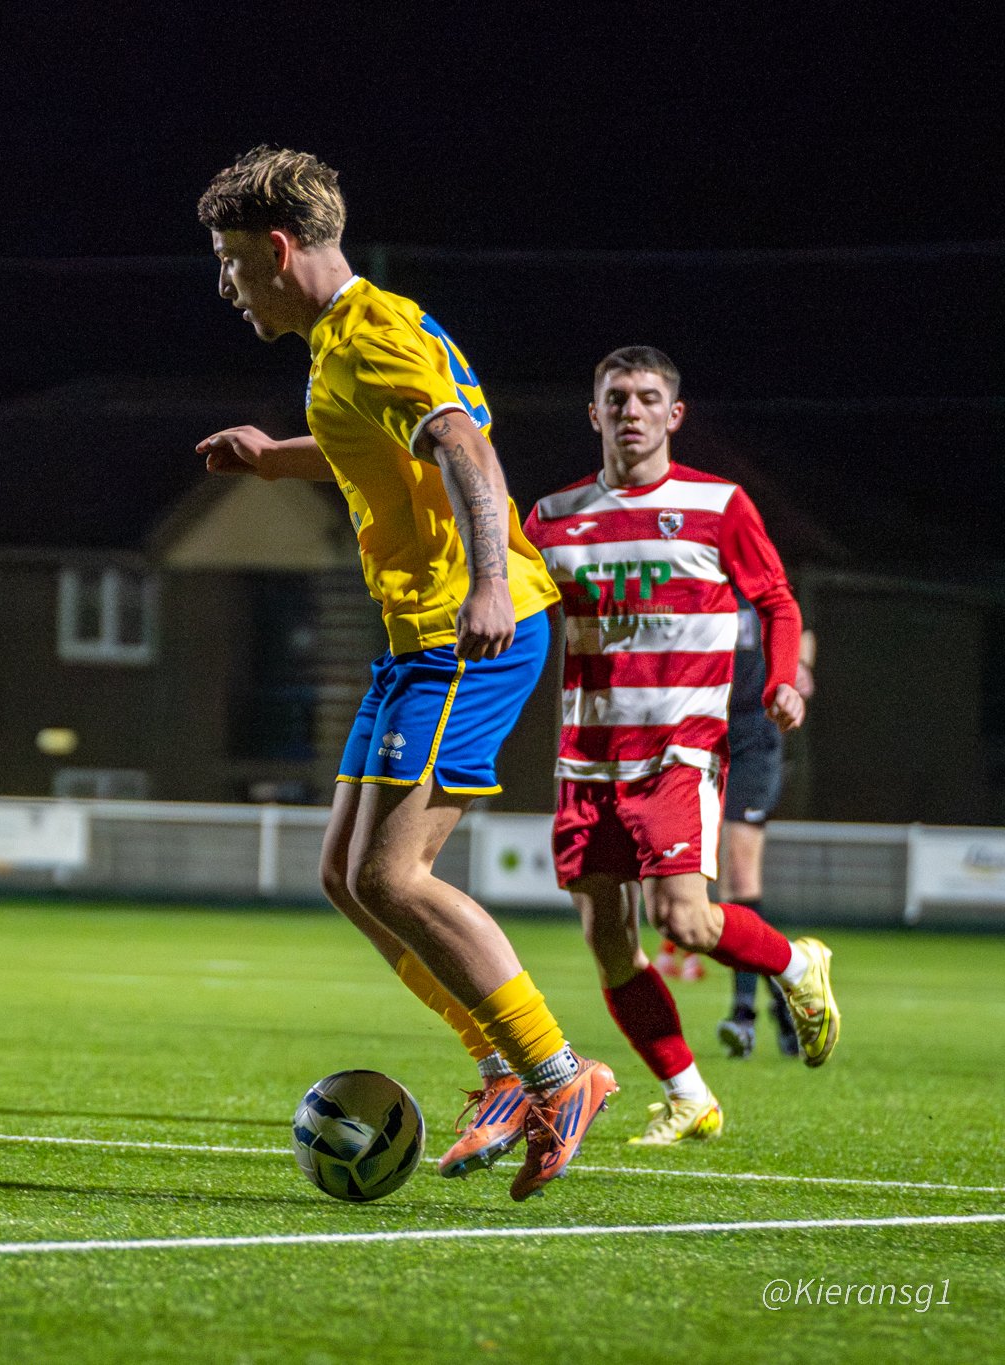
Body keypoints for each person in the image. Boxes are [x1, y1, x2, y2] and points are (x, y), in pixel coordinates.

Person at [195, 145, 614, 1201]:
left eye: (232, 262)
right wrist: (275, 457)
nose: (227, 285)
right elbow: (374, 448)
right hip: (418, 637)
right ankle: (501, 1067)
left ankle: (555, 1074)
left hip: (465, 631)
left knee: (392, 876)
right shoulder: (346, 339)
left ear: (278, 250)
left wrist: (488, 582)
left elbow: (464, 448)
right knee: (346, 876)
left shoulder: (371, 335)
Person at [522, 346, 841, 1147]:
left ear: (674, 414)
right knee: (609, 941)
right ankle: (688, 1094)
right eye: (616, 398)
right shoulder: (552, 518)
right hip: (586, 759)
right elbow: (512, 615)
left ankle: (796, 964)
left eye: (646, 397)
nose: (631, 411)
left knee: (687, 922)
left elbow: (776, 599)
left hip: (678, 751)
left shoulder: (717, 504)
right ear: (594, 414)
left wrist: (781, 681)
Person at [717, 604, 818, 1057]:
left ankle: (744, 1014)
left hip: (754, 737)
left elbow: (800, 626)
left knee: (741, 878)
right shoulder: (692, 574)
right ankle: (786, 998)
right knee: (714, 891)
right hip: (699, 732)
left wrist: (801, 666)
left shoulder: (756, 579)